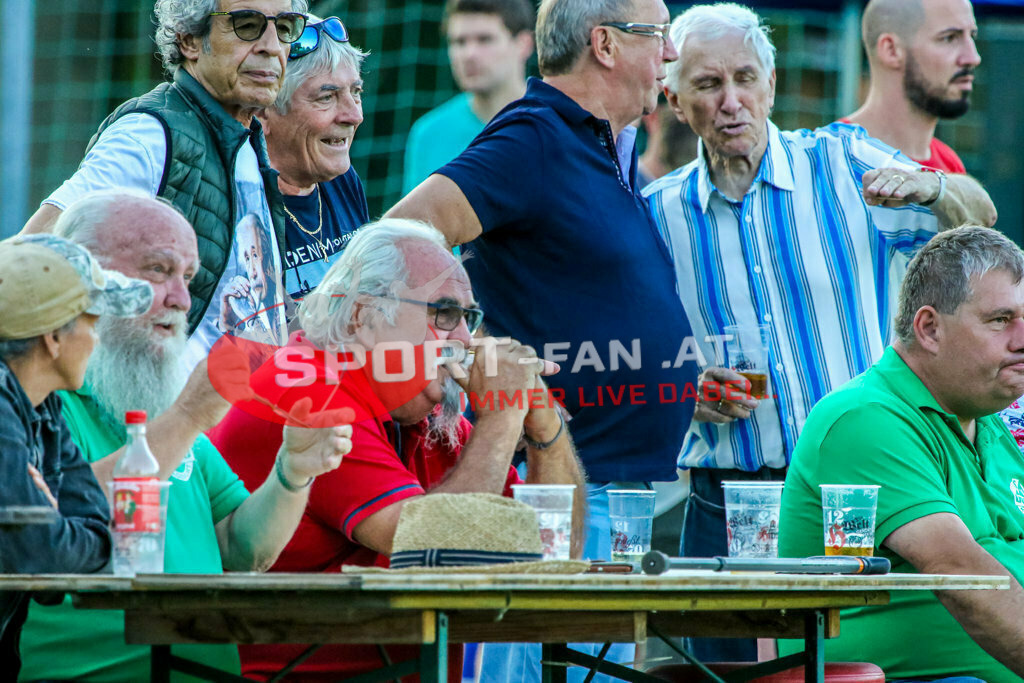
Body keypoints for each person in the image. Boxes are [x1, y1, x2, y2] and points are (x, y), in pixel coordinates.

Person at [642, 2, 995, 662]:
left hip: (856, 492)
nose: (731, 102)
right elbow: (635, 352)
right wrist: (677, 385)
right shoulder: (656, 216)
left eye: (746, 78)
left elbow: (980, 219)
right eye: (708, 84)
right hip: (728, 501)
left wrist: (933, 186)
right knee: (723, 677)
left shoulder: (846, 164)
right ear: (672, 95)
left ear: (771, 84)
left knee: (860, 666)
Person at [208, 218, 586, 680]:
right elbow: (438, 547)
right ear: (360, 318)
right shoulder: (306, 385)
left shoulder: (421, 411)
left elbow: (554, 553)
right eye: (444, 315)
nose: (466, 342)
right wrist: (504, 415)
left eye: (469, 318)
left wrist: (544, 428)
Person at [389, 0, 698, 562]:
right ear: (604, 46)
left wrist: (679, 369)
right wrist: (467, 345)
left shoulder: (604, 143)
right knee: (556, 653)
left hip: (614, 487)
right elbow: (400, 237)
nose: (671, 53)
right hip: (556, 486)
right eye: (658, 35)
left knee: (599, 654)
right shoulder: (534, 137)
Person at [17, 191, 352, 681]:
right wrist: (191, 414)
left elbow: (241, 550)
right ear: (80, 279)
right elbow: (49, 527)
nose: (182, 299)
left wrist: (293, 472)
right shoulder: (36, 397)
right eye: (157, 270)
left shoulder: (160, 404)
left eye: (190, 278)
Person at [778, 226, 1024, 683]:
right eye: (1000, 320)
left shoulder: (988, 416)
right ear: (929, 328)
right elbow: (958, 573)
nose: (1022, 339)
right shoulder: (865, 417)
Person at [21, 0, 312, 370]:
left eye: (285, 26)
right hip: (160, 416)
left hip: (236, 415)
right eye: (247, 24)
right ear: (189, 39)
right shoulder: (149, 136)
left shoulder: (249, 143)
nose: (272, 45)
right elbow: (31, 260)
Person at [0, 233, 152, 676]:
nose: (99, 340)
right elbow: (39, 557)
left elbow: (100, 537)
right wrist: (49, 534)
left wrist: (53, 530)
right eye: (92, 322)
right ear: (52, 337)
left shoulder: (41, 403)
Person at [258, 15, 370, 302]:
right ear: (262, 113)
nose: (354, 115)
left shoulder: (341, 179)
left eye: (355, 93)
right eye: (326, 98)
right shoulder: (243, 202)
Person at [402, 0, 535, 193]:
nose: (469, 54)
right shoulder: (429, 134)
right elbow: (411, 223)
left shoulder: (561, 124)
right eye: (459, 42)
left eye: (484, 39)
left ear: (524, 44)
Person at [844, 0, 985, 177]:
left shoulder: (950, 165)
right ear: (891, 50)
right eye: (949, 38)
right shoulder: (828, 158)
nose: (973, 58)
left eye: (972, 36)